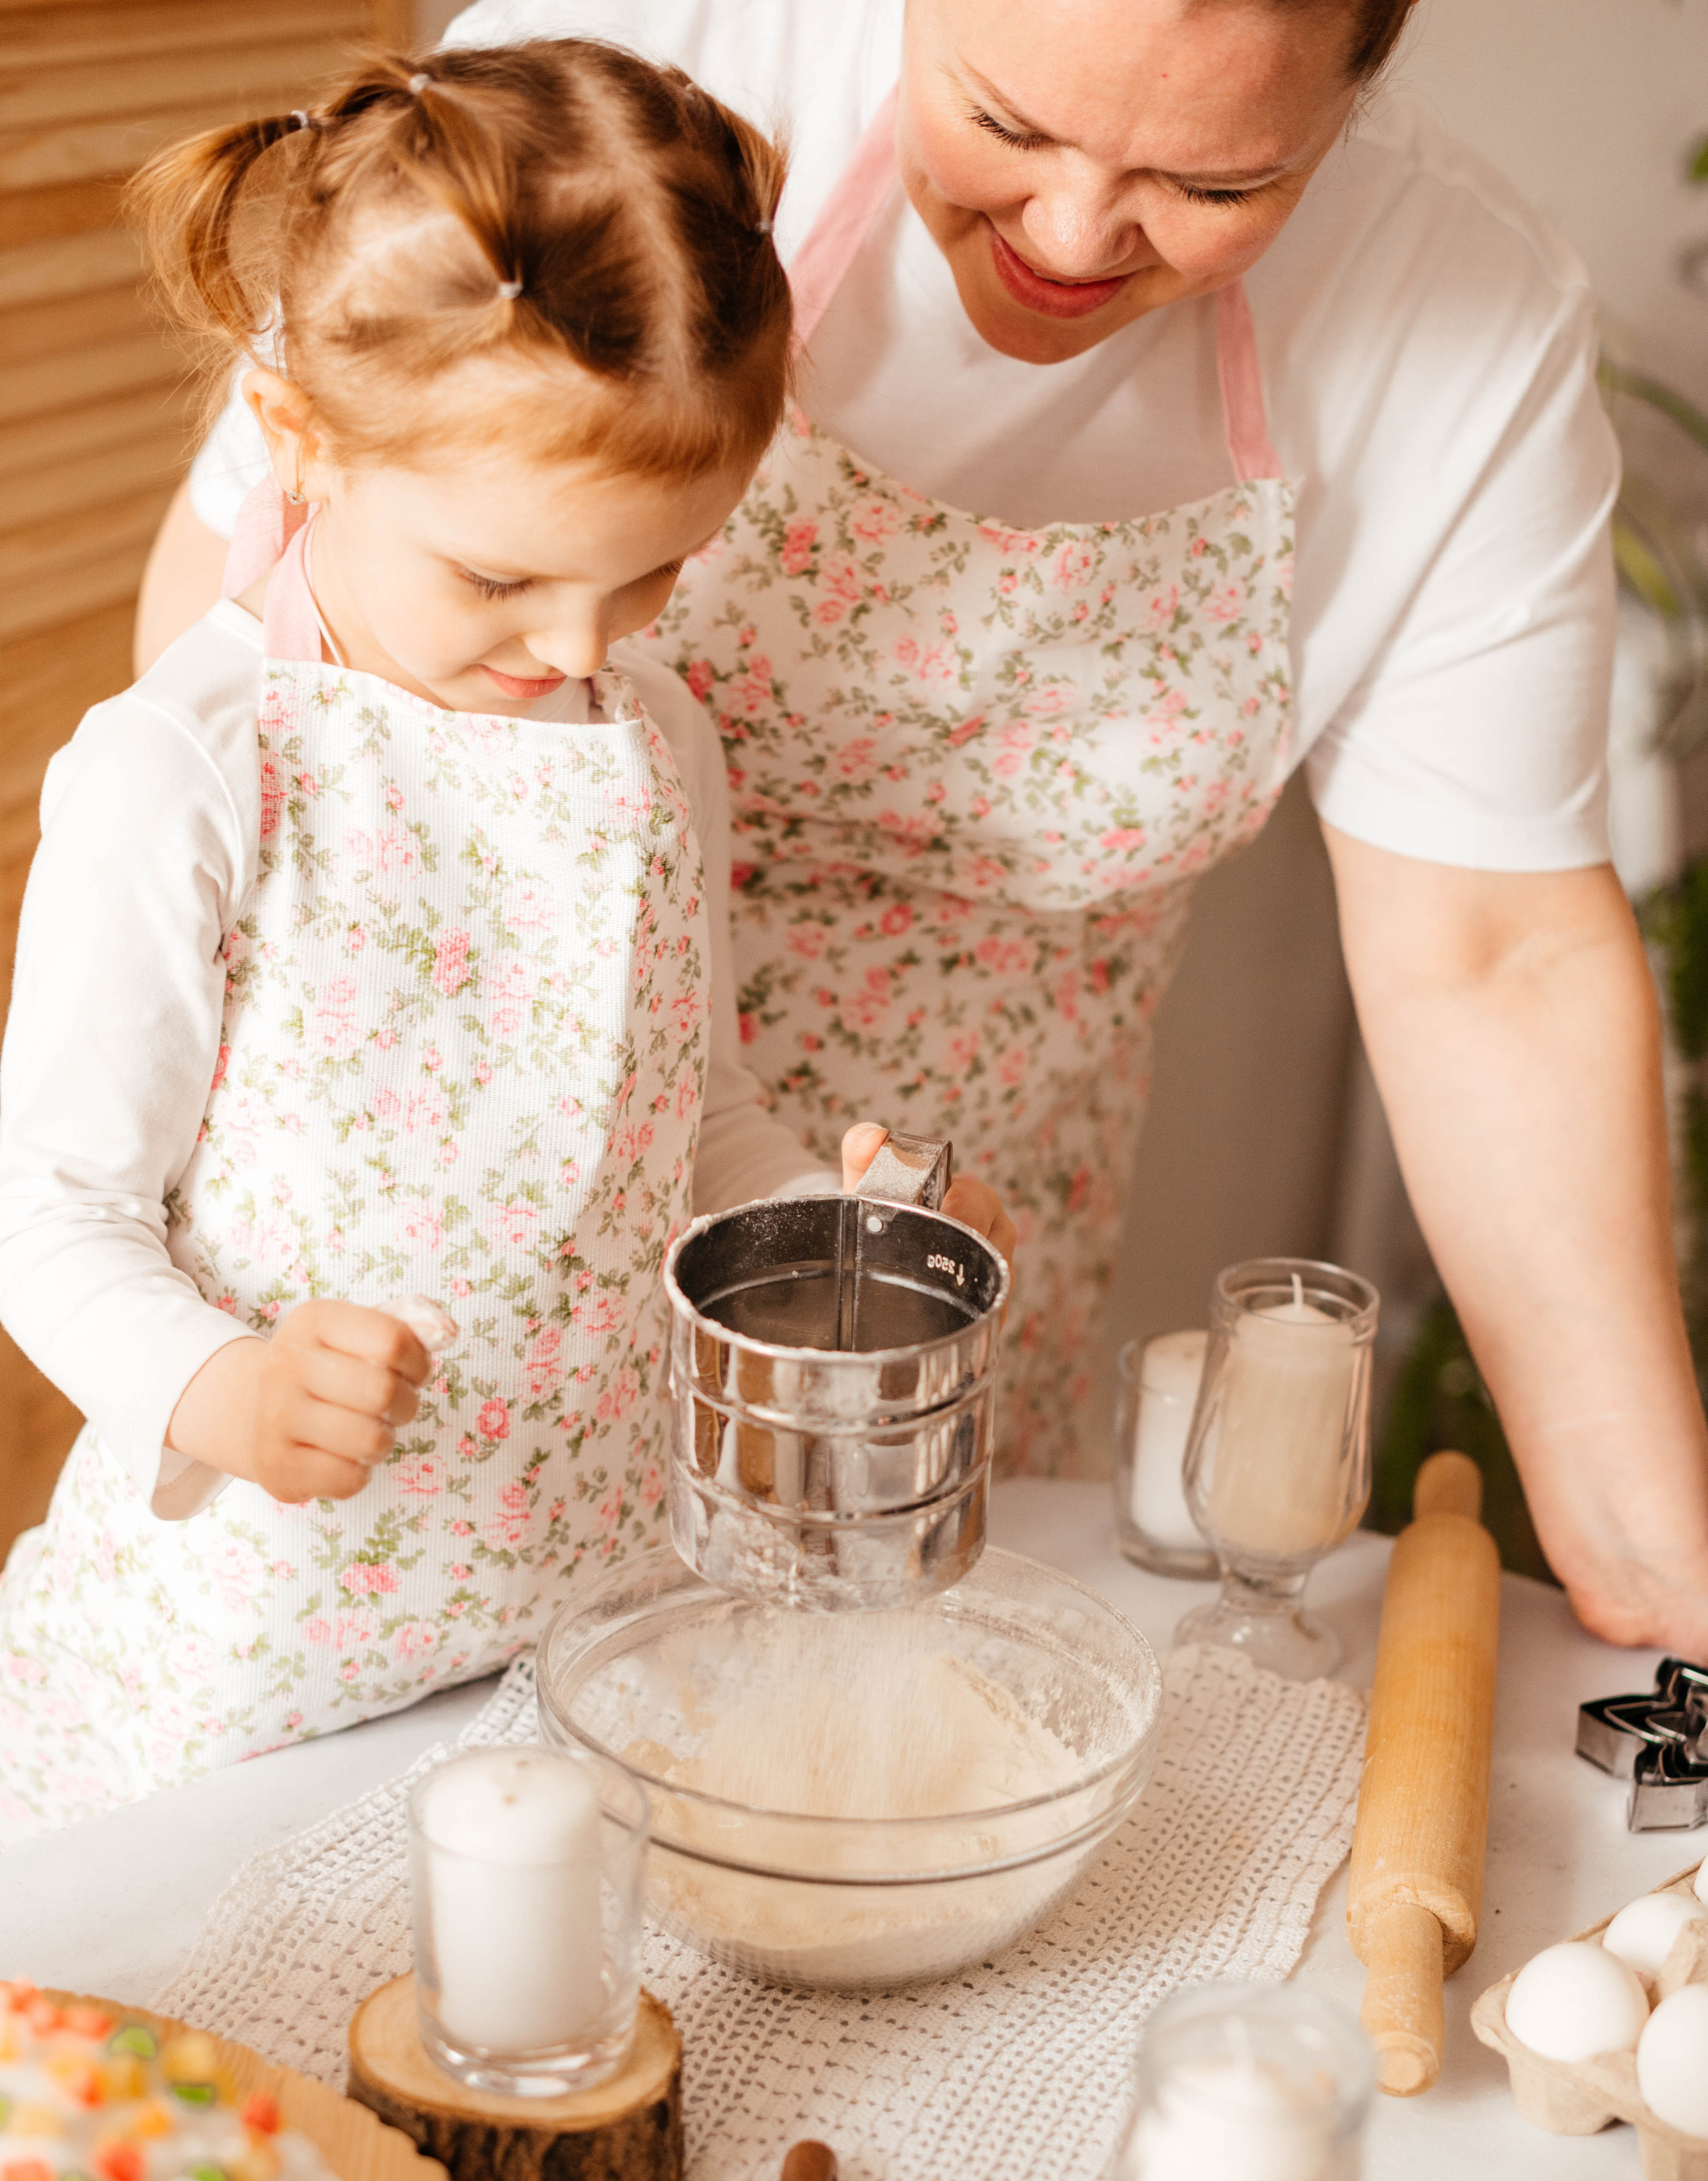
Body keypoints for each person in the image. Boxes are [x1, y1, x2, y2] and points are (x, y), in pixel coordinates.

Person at [138, 0, 1708, 1662]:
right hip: (410, 1311)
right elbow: (249, 671)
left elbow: (1492, 958)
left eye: (1212, 181)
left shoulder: (1452, 318)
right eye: (1007, 125)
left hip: (918, 1327)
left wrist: (1646, 1549)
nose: (1073, 231)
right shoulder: (619, 75)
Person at [0, 37, 1014, 1837]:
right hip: (236, 1674)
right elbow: (46, 1215)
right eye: (499, 577)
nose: (572, 643)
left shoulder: (650, 746)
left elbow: (686, 1122)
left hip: (566, 1628)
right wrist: (221, 1387)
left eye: (647, 574)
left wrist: (833, 1227)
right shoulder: (188, 775)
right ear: (300, 437)